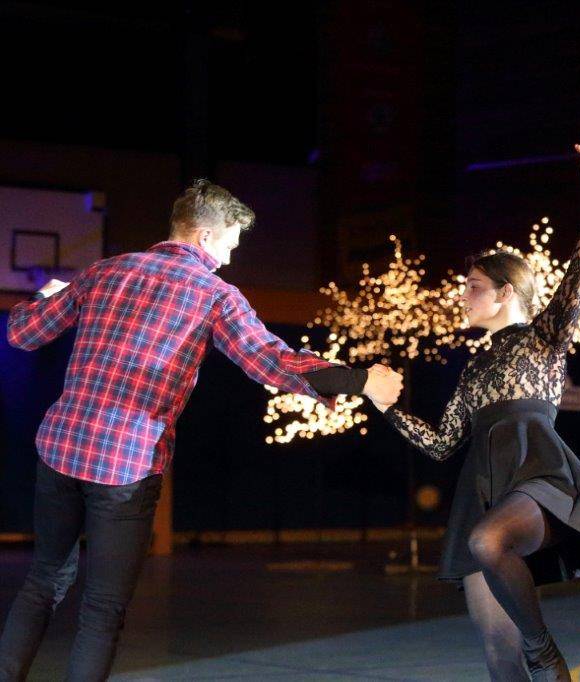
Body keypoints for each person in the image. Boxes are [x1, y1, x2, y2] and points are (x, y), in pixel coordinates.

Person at [0, 179, 401, 682]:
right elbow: (271, 361)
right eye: (231, 241)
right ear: (205, 235)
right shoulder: (214, 295)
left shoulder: (105, 270)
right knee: (102, 608)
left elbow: (22, 332)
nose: (231, 256)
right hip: (126, 464)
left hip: (61, 448)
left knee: (43, 581)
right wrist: (360, 380)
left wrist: (46, 292)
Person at [374, 138, 580, 681]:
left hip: (538, 483)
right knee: (494, 646)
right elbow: (442, 443)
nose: (463, 296)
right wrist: (385, 407)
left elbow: (579, 276)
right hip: (484, 492)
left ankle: (543, 650)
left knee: (487, 540)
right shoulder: (474, 368)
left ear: (506, 292)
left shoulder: (543, 338)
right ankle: (530, 656)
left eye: (473, 286)